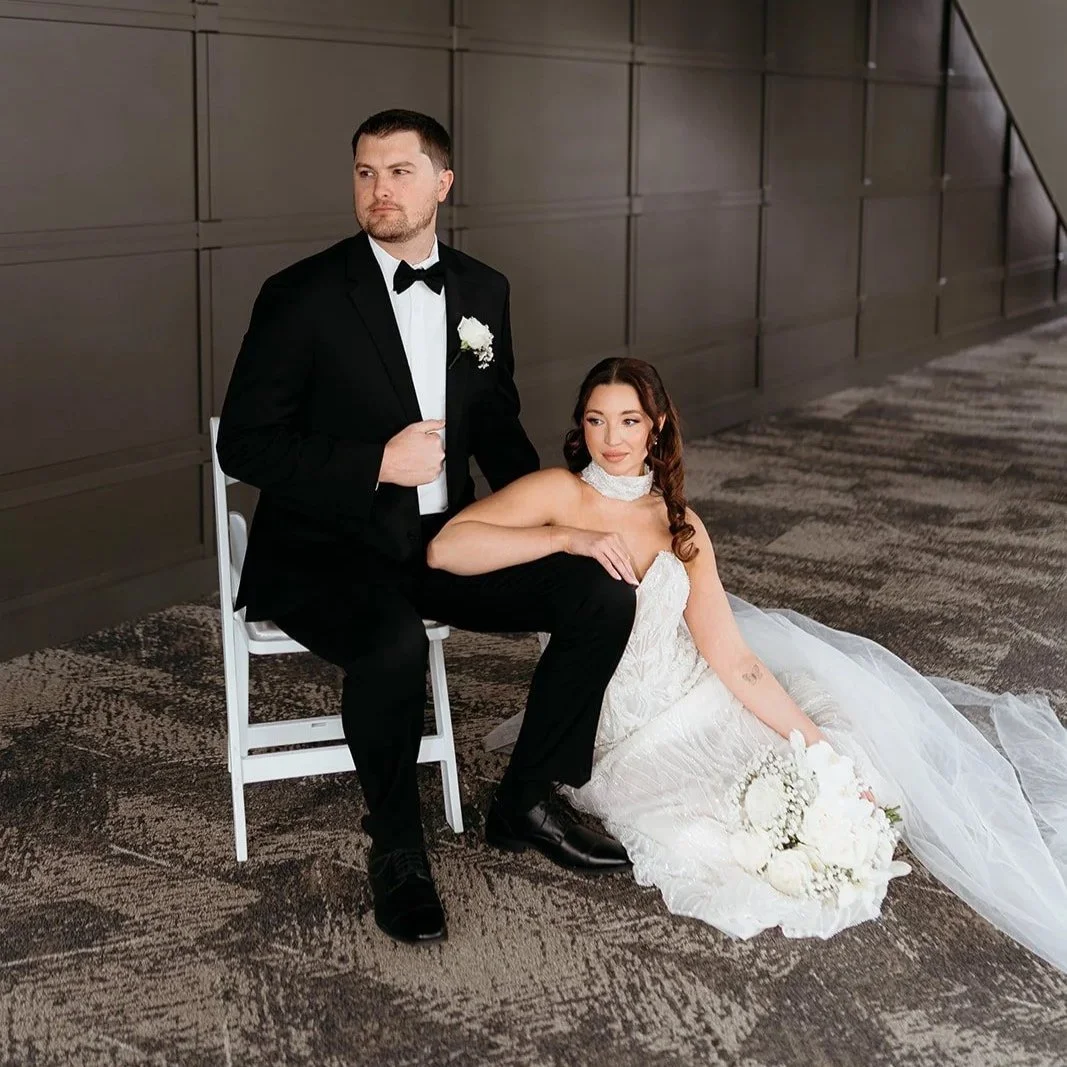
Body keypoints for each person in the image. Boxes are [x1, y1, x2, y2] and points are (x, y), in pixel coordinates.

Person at [427, 357, 1067, 973]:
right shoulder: (558, 492)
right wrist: (566, 538)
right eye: (596, 420)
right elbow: (446, 549)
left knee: (815, 763)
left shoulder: (682, 525)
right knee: (713, 832)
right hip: (617, 726)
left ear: (657, 427)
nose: (612, 438)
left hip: (689, 691)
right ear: (580, 427)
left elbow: (732, 659)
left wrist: (821, 753)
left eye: (629, 420)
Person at [216, 110, 635, 948]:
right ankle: (398, 847)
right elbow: (246, 443)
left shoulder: (483, 292)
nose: (380, 190)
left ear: (443, 183)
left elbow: (500, 426)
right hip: (325, 548)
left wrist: (565, 519)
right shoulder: (300, 295)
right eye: (365, 173)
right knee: (393, 645)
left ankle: (524, 798)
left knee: (600, 589)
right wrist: (374, 461)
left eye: (400, 172)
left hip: (441, 540)